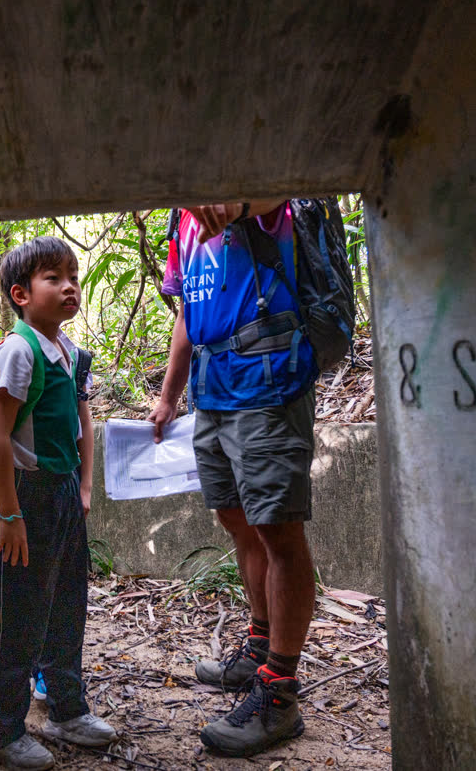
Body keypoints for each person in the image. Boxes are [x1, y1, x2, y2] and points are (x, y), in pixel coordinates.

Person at [149, 200, 319, 758]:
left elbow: (275, 194)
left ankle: (279, 694)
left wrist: (238, 200)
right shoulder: (182, 220)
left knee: (278, 530)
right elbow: (186, 314)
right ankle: (259, 646)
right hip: (213, 389)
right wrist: (170, 396)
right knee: (238, 521)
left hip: (267, 383)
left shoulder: (257, 200)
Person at [0, 236, 117, 770]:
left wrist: (84, 488)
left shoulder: (70, 353)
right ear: (21, 294)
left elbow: (84, 424)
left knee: (67, 603)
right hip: (23, 495)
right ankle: (2, 728)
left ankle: (65, 707)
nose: (69, 288)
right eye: (53, 278)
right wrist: (9, 514)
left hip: (61, 493)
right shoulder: (19, 352)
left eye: (73, 278)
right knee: (18, 612)